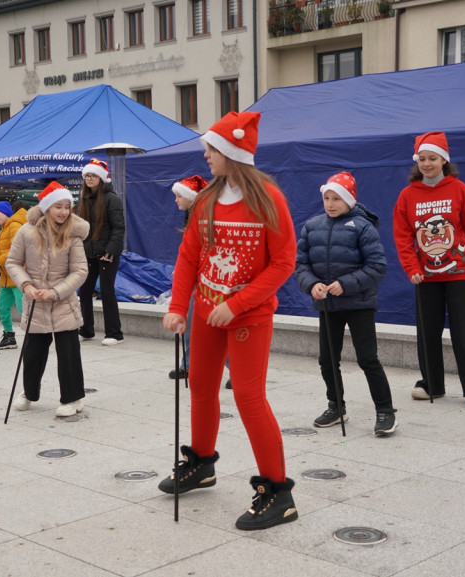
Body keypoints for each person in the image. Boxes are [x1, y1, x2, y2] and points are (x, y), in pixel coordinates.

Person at [158, 111, 299, 531]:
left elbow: (284, 263)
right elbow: (189, 258)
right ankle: (201, 464)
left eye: (211, 149)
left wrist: (236, 304)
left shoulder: (269, 200)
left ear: (231, 153)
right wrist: (177, 306)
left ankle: (279, 492)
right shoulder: (205, 201)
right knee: (199, 384)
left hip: (247, 317)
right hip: (205, 311)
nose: (205, 156)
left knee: (249, 398)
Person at [392, 131, 465, 408]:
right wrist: (411, 267)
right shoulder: (407, 195)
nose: (427, 164)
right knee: (428, 330)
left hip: (460, 272)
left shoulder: (459, 189)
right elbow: (402, 236)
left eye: (432, 158)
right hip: (424, 275)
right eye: (422, 159)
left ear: (444, 160)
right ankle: (431, 385)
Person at [295, 171, 396, 435]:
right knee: (327, 360)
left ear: (349, 201)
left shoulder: (363, 227)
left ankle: (385, 411)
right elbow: (301, 264)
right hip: (328, 306)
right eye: (327, 198)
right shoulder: (311, 226)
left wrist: (346, 284)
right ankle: (336, 405)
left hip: (360, 303)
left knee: (368, 359)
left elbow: (377, 266)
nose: (330, 203)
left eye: (336, 198)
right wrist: (311, 284)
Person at [6, 181, 89, 417]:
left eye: (67, 207)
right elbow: (13, 262)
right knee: (33, 353)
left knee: (68, 353)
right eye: (58, 207)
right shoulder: (26, 231)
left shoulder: (73, 234)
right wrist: (26, 285)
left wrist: (56, 291)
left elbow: (80, 271)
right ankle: (29, 392)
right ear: (46, 207)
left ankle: (73, 397)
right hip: (35, 302)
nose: (63, 212)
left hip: (62, 302)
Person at [75, 158, 126, 346]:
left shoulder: (111, 198)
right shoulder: (83, 198)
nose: (89, 179)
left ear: (101, 178)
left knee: (107, 291)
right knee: (85, 291)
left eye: (93, 175)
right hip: (89, 253)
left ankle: (114, 333)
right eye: (87, 175)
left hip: (107, 253)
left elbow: (118, 227)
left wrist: (111, 251)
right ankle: (86, 329)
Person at [167, 175, 206, 380]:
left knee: (207, 328)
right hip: (196, 278)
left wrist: (191, 270)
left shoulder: (203, 218)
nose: (176, 200)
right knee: (190, 325)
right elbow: (188, 252)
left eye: (179, 196)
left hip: (206, 280)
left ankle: (235, 369)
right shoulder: (191, 216)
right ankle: (188, 364)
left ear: (191, 198)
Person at [0, 200, 27, 350]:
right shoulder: (2, 230)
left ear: (7, 212)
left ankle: (33, 336)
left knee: (23, 308)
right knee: (2, 306)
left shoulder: (14, 226)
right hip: (6, 277)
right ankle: (9, 336)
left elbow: (16, 251)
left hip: (19, 275)